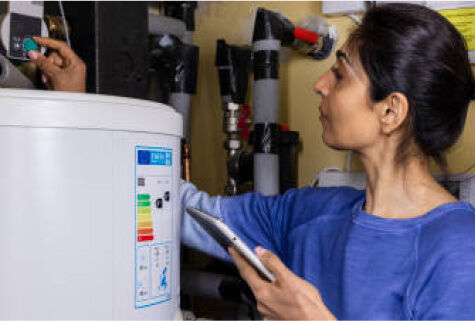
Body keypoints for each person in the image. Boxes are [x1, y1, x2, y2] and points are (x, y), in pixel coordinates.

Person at [31, 3, 475, 320]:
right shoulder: (312, 213)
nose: (320, 84)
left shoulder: (457, 249)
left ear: (391, 111)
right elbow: (179, 208)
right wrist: (82, 110)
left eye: (340, 74)